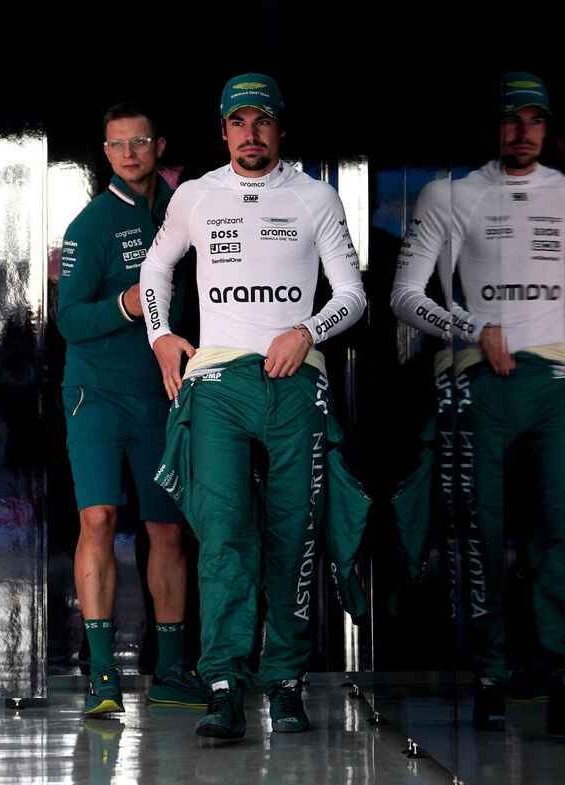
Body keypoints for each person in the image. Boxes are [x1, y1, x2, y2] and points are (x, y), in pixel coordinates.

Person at [139, 73, 366, 739]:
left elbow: (352, 293)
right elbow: (156, 270)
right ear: (223, 131)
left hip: (295, 380)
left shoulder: (314, 195)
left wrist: (306, 332)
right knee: (225, 534)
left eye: (261, 121)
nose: (250, 133)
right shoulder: (197, 195)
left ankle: (287, 681)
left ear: (281, 129)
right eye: (238, 122)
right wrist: (161, 338)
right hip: (216, 386)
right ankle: (223, 685)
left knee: (294, 534)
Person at [390, 72, 565, 739]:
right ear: (492, 126)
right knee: (481, 537)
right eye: (511, 118)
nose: (523, 131)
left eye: (535, 119)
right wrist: (474, 328)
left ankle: (562, 676)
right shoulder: (454, 194)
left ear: (548, 127)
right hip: (481, 380)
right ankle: (492, 675)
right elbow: (405, 296)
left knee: (558, 532)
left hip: (554, 383)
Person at [58, 102, 207, 716]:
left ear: (158, 146)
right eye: (116, 144)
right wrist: (125, 303)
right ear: (106, 152)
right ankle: (101, 678)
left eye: (138, 142)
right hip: (95, 396)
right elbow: (68, 318)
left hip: (162, 395)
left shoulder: (183, 215)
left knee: (168, 530)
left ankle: (171, 671)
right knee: (96, 522)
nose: (128, 153)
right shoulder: (90, 225)